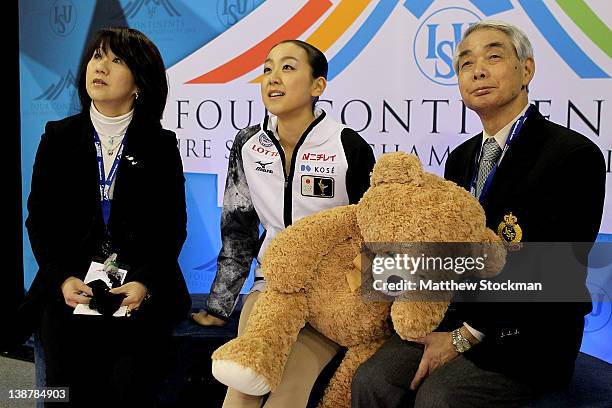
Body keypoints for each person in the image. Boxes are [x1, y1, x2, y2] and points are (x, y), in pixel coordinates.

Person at [351, 20, 606, 407]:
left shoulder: (572, 155)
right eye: (466, 64)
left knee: (440, 398)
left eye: (494, 56)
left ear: (527, 70)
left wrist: (465, 336)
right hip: (454, 314)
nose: (478, 70)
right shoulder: (461, 159)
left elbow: (556, 271)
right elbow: (445, 252)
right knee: (372, 379)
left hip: (528, 334)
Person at [191, 39, 375, 407]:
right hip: (272, 286)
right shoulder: (247, 143)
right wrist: (220, 305)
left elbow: (373, 231)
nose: (273, 77)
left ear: (317, 86)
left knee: (289, 389)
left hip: (332, 293)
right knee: (245, 382)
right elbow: (238, 228)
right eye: (267, 68)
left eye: (288, 67)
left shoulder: (347, 145)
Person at [19, 27, 191, 406]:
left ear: (139, 84)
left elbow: (171, 229)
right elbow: (40, 220)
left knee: (130, 380)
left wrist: (144, 283)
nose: (101, 67)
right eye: (97, 57)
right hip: (69, 281)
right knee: (63, 384)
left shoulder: (161, 146)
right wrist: (63, 277)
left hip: (139, 284)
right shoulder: (59, 137)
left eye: (117, 60)